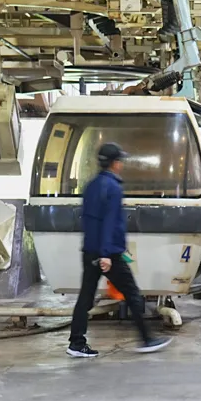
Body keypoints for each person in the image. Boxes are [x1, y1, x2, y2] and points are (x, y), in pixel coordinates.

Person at [67, 141, 170, 358]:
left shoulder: (91, 186)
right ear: (115, 163)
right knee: (132, 293)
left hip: (90, 251)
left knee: (85, 298)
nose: (121, 164)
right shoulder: (113, 188)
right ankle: (147, 339)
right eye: (119, 161)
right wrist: (106, 254)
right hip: (109, 252)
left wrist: (96, 251)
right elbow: (109, 222)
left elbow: (88, 220)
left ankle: (76, 342)